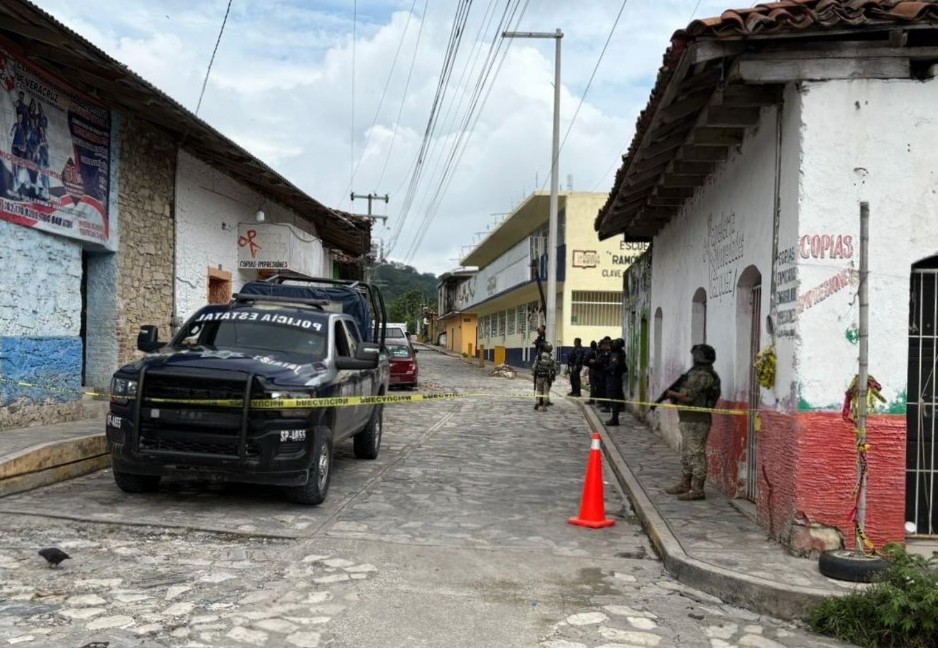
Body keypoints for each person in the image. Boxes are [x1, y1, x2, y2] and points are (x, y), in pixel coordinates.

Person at [664, 344, 722, 501]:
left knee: (696, 453)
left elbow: (688, 397)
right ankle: (685, 483)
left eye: (696, 355)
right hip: (688, 418)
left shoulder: (704, 375)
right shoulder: (696, 373)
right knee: (687, 453)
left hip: (697, 420)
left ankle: (697, 489)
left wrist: (672, 393)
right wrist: (673, 396)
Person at [605, 338, 627, 426]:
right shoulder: (620, 353)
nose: (611, 346)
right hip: (616, 378)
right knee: (614, 398)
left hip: (613, 378)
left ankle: (614, 419)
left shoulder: (616, 354)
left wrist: (605, 369)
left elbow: (614, 365)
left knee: (613, 398)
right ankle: (614, 418)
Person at [532, 342, 556, 410]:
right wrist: (553, 376)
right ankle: (544, 406)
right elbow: (554, 368)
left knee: (539, 390)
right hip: (547, 377)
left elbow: (534, 367)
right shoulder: (551, 358)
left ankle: (537, 402)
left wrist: (534, 373)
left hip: (539, 375)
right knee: (546, 391)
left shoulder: (538, 356)